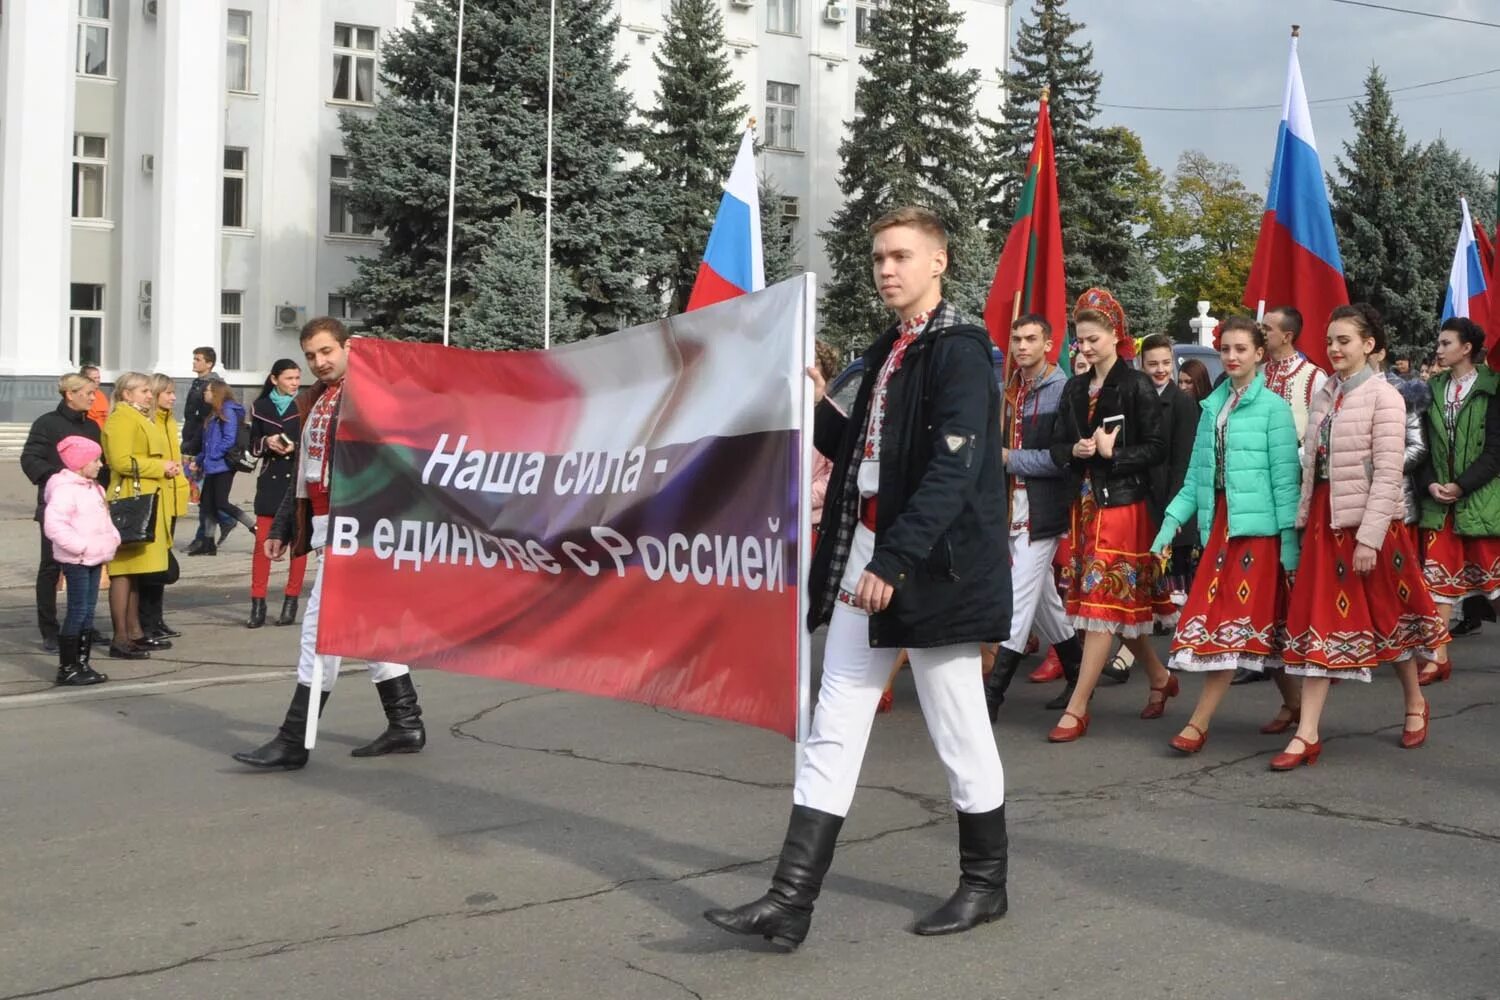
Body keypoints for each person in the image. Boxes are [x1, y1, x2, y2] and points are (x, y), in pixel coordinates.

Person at [704, 206, 1011, 948]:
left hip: (929, 564)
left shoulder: (960, 349)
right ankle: (790, 901)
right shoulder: (889, 350)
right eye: (878, 257)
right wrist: (815, 406)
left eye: (901, 255)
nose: (886, 268)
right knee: (834, 718)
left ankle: (985, 885)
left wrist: (894, 559)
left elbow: (954, 468)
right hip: (871, 547)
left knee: (958, 725)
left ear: (938, 262)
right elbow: (860, 455)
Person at [233, 317, 427, 770]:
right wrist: (283, 527)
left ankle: (294, 740)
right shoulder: (315, 400)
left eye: (327, 352)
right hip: (326, 523)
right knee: (373, 628)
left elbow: (396, 460)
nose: (319, 362)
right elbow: (307, 472)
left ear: (348, 349)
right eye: (311, 356)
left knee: (322, 632)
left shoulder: (371, 396)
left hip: (359, 528)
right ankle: (406, 723)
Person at [1276, 304, 1448, 769]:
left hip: (1371, 526)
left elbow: (1390, 473)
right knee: (1319, 624)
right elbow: (1314, 465)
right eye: (1330, 340)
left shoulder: (1384, 396)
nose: (1334, 349)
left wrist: (1370, 538)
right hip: (1323, 524)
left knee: (1390, 618)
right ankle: (1307, 733)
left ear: (1369, 345)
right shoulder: (1324, 394)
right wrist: (1302, 516)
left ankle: (1414, 702)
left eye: (1344, 340)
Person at [1149, 317, 1301, 752]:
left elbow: (1286, 486)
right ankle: (1292, 703)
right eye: (1226, 350)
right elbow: (1197, 478)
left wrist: (1290, 550)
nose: (1232, 357)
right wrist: (1168, 526)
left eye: (1241, 349)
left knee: (1232, 628)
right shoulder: (1211, 407)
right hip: (1220, 531)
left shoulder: (1274, 409)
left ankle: (1198, 723)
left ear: (1259, 354)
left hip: (1260, 535)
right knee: (1260, 628)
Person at [1045, 288, 1176, 743]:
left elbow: (1158, 449)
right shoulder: (1075, 387)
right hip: (1084, 505)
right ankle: (1160, 678)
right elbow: (1057, 444)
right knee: (1115, 608)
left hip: (1123, 503)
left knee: (1103, 604)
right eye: (1080, 339)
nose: (1085, 347)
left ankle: (1078, 705)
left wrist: (1113, 452)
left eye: (1093, 338)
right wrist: (1075, 450)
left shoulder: (1136, 384)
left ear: (1116, 336)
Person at [983, 314, 1080, 718]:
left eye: (1030, 339)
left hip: (1044, 510)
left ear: (1048, 343)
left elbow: (1064, 457)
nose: (1021, 346)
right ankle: (1078, 670)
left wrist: (1010, 459)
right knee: (1042, 600)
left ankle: (992, 697)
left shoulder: (1064, 391)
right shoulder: (1011, 390)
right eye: (1016, 339)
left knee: (1017, 597)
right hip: (1010, 507)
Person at [1418, 317, 1500, 685]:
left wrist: (1462, 485)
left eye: (1446, 342)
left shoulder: (1493, 388)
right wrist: (1433, 484)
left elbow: (1496, 451)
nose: (1439, 349)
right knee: (1438, 579)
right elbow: (1421, 447)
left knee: (1494, 581)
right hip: (1440, 501)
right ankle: (1438, 657)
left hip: (1481, 497)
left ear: (1467, 348)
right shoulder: (1430, 389)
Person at [20, 374, 103, 652]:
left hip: (89, 510)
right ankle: (50, 629)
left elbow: (102, 464)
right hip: (57, 506)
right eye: (89, 393)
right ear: (70, 394)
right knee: (51, 567)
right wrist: (61, 479)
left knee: (89, 565)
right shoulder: (47, 423)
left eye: (94, 393)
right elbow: (30, 458)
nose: (94, 397)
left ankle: (84, 625)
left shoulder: (91, 426)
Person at [101, 373, 181, 660]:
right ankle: (120, 637)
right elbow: (121, 461)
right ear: (126, 393)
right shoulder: (121, 418)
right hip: (131, 499)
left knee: (135, 571)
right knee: (123, 572)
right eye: (144, 391)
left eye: (150, 390)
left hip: (147, 497)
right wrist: (159, 467)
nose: (150, 395)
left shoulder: (139, 417)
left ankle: (134, 632)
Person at [43, 436, 119, 685]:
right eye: (95, 460)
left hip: (95, 556)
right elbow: (54, 526)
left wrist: (112, 539)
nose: (100, 464)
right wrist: (81, 546)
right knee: (77, 610)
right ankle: (67, 667)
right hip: (77, 559)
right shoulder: (65, 490)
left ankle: (82, 662)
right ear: (79, 463)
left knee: (88, 611)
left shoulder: (94, 487)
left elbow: (104, 520)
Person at [247, 360, 309, 628]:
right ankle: (257, 604)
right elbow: (250, 444)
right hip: (270, 482)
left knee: (298, 546)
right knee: (262, 546)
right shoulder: (260, 407)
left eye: (297, 378)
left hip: (298, 480)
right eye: (289, 378)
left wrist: (296, 447)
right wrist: (267, 442)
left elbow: (314, 442)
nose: (295, 383)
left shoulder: (306, 405)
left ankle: (291, 601)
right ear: (274, 379)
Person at [136, 374, 191, 642]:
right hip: (154, 500)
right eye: (168, 393)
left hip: (170, 499)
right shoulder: (149, 422)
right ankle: (144, 621)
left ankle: (156, 619)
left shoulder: (169, 421)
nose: (173, 397)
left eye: (173, 393)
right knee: (153, 565)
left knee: (161, 562)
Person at [190, 382, 254, 557]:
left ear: (217, 393)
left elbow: (229, 439)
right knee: (207, 504)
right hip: (212, 464)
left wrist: (212, 455)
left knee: (221, 502)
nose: (205, 393)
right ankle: (208, 544)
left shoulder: (227, 411)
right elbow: (207, 443)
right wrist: (199, 460)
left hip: (224, 465)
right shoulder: (213, 414)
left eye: (208, 390)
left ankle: (254, 527)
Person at [182, 347, 235, 555]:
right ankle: (207, 536)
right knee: (201, 495)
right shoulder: (198, 383)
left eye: (198, 359)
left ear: (209, 364)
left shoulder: (212, 387)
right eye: (194, 358)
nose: (194, 362)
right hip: (194, 442)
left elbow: (205, 421)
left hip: (202, 446)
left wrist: (200, 447)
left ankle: (211, 531)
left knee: (205, 496)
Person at [80, 365, 109, 430]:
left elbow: (106, 415)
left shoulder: (100, 394)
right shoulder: (80, 394)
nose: (98, 380)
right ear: (85, 379)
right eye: (95, 378)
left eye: (98, 377)